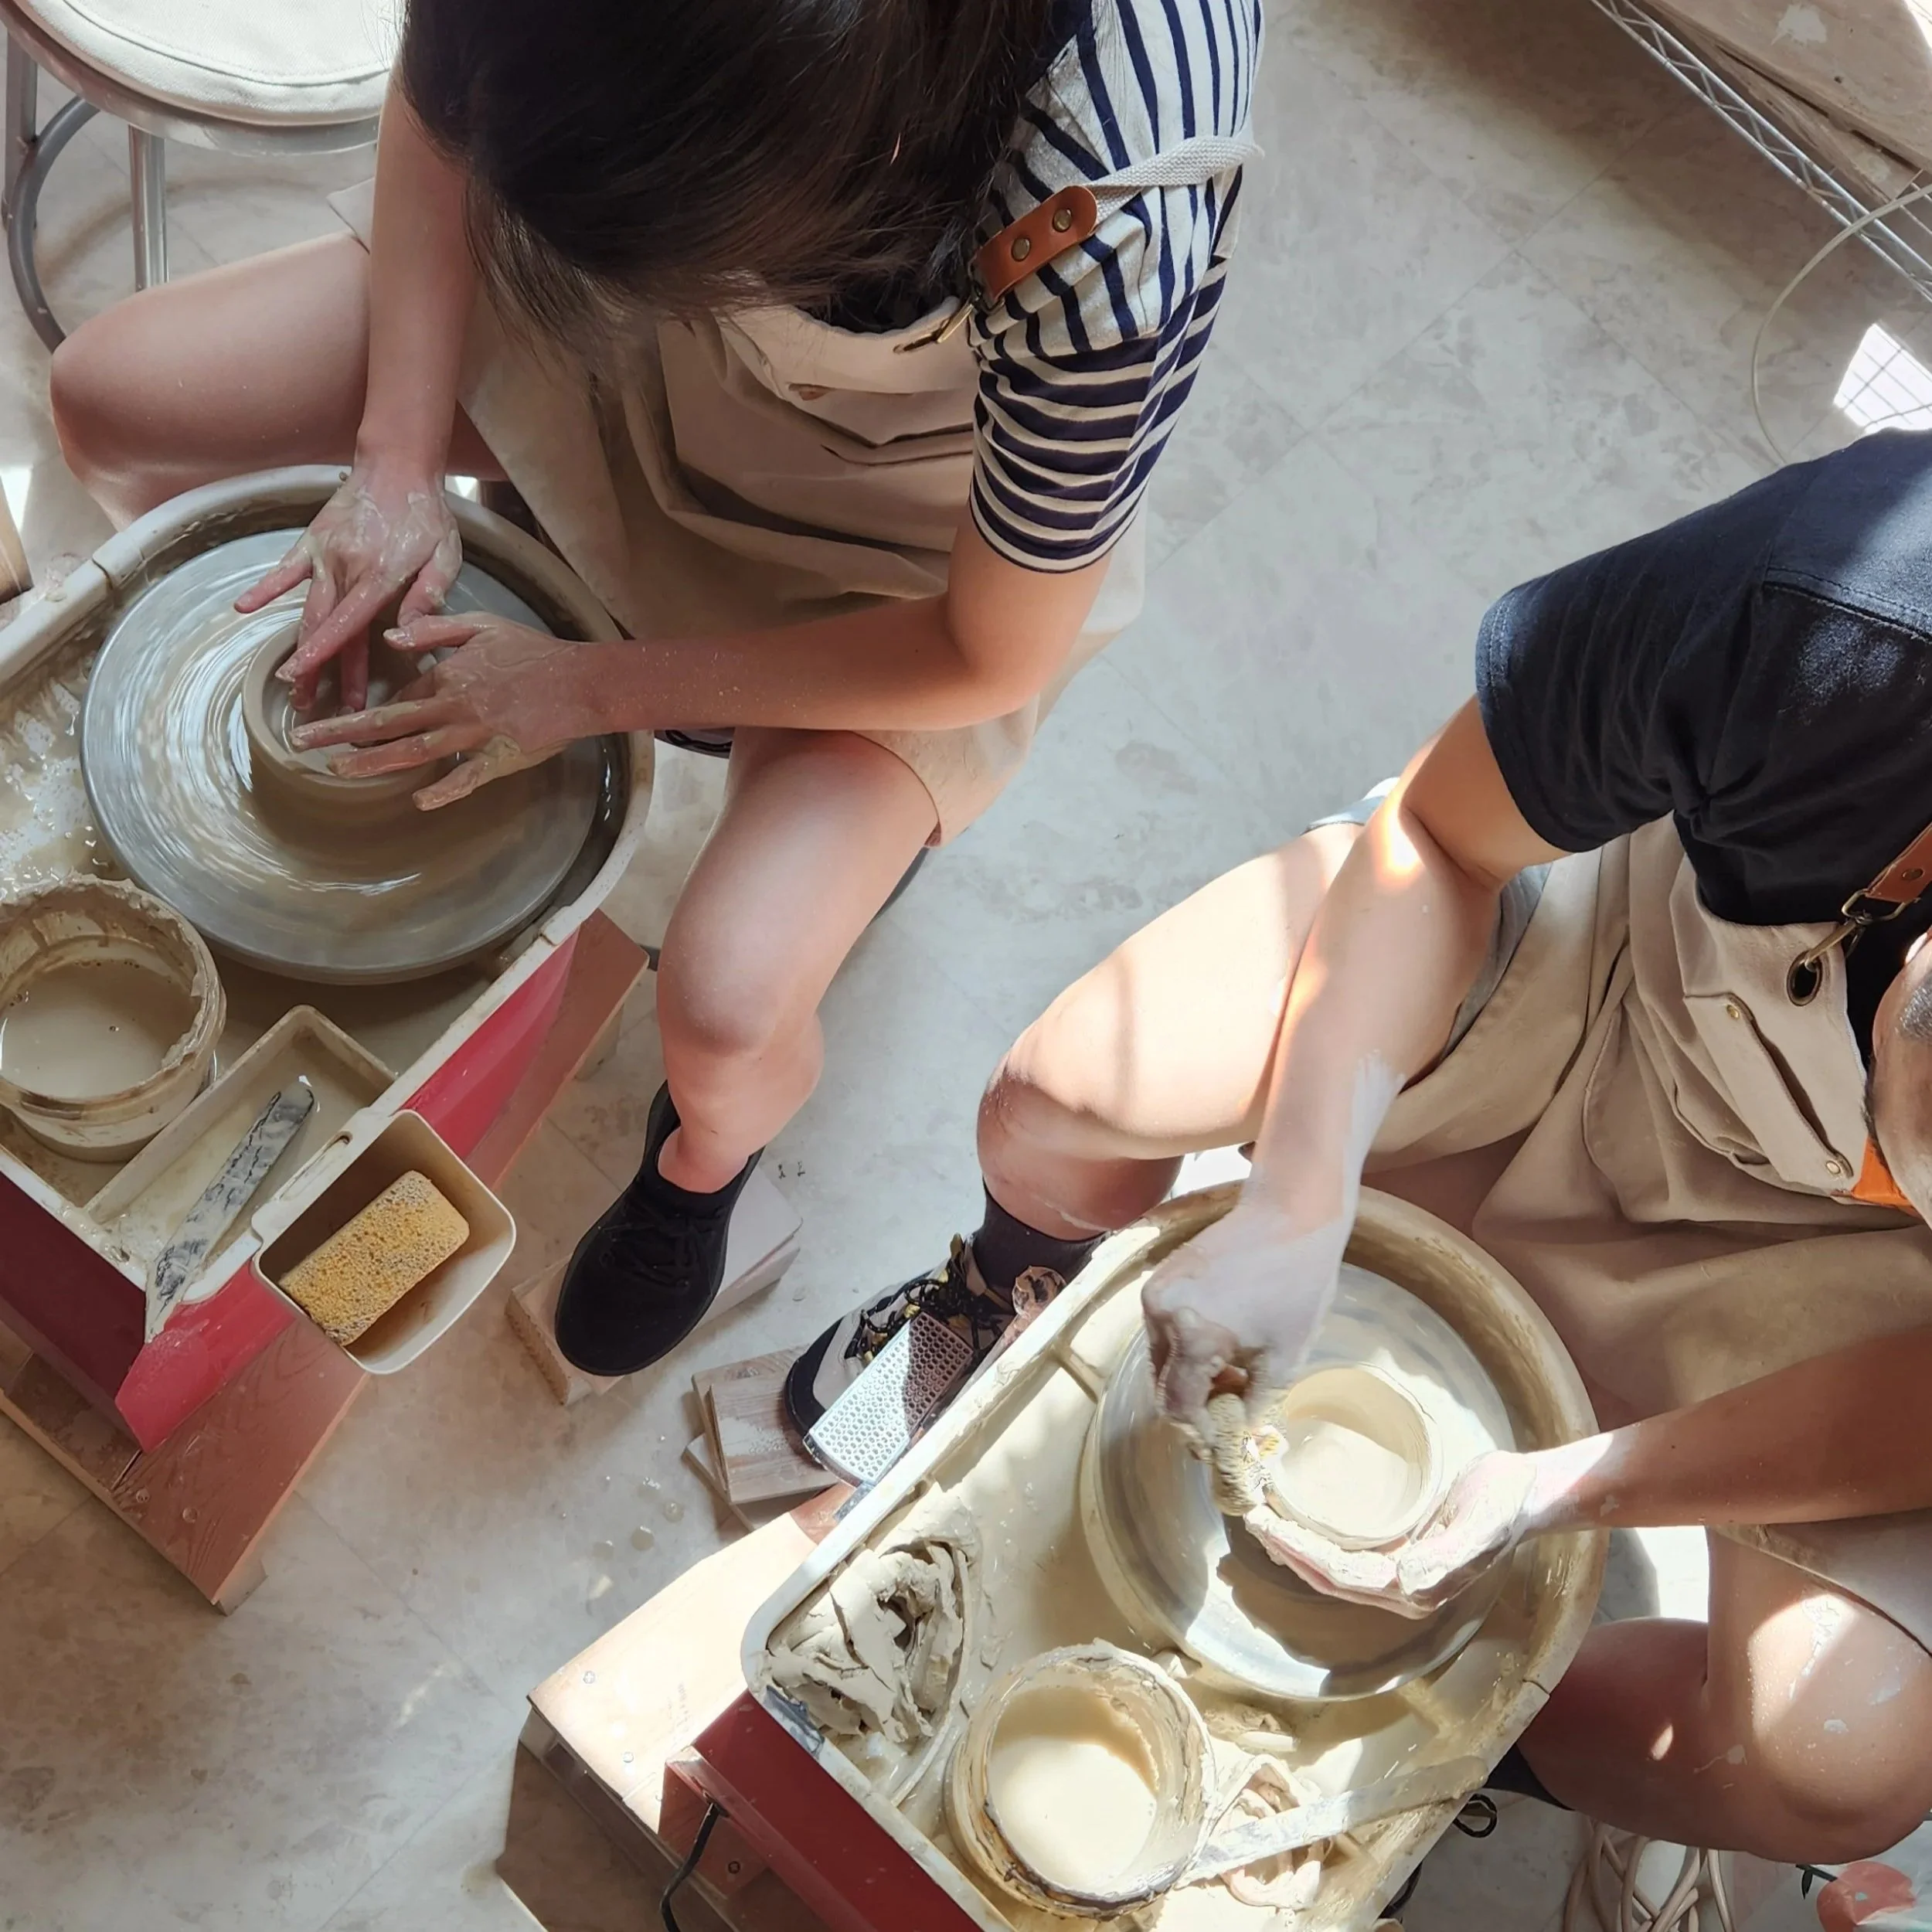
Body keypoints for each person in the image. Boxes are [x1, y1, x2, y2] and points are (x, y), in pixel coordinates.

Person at [46, 0, 1260, 1378]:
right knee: (114, 397)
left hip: (905, 543)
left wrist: (584, 687)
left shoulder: (1106, 215)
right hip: (628, 321)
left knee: (731, 1002)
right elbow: (452, 98)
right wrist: (392, 463)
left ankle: (704, 1178)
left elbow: (994, 647)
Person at [793, 430, 1932, 1863]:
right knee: (1063, 1098)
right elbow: (1442, 838)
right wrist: (1296, 1199)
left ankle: (1438, 1731)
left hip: (1866, 1285)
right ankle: (1000, 1303)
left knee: (1833, 1764)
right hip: (1619, 980)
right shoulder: (1843, 611)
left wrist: (1558, 1495)